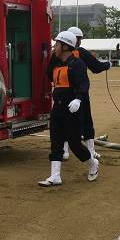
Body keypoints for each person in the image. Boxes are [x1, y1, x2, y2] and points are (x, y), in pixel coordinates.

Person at [38, 31, 100, 186]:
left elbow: (84, 84)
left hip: (72, 109)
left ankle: (93, 164)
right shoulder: (57, 62)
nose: (55, 47)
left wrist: (78, 99)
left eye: (57, 44)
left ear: (65, 46)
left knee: (74, 144)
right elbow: (49, 75)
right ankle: (55, 175)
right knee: (56, 140)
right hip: (57, 107)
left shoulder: (77, 64)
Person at [60, 26, 110, 161]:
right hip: (80, 94)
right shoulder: (80, 52)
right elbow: (96, 67)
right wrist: (108, 65)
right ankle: (91, 151)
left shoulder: (58, 54)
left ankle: (64, 151)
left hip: (62, 94)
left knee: (65, 121)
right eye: (79, 39)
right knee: (87, 121)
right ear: (76, 39)